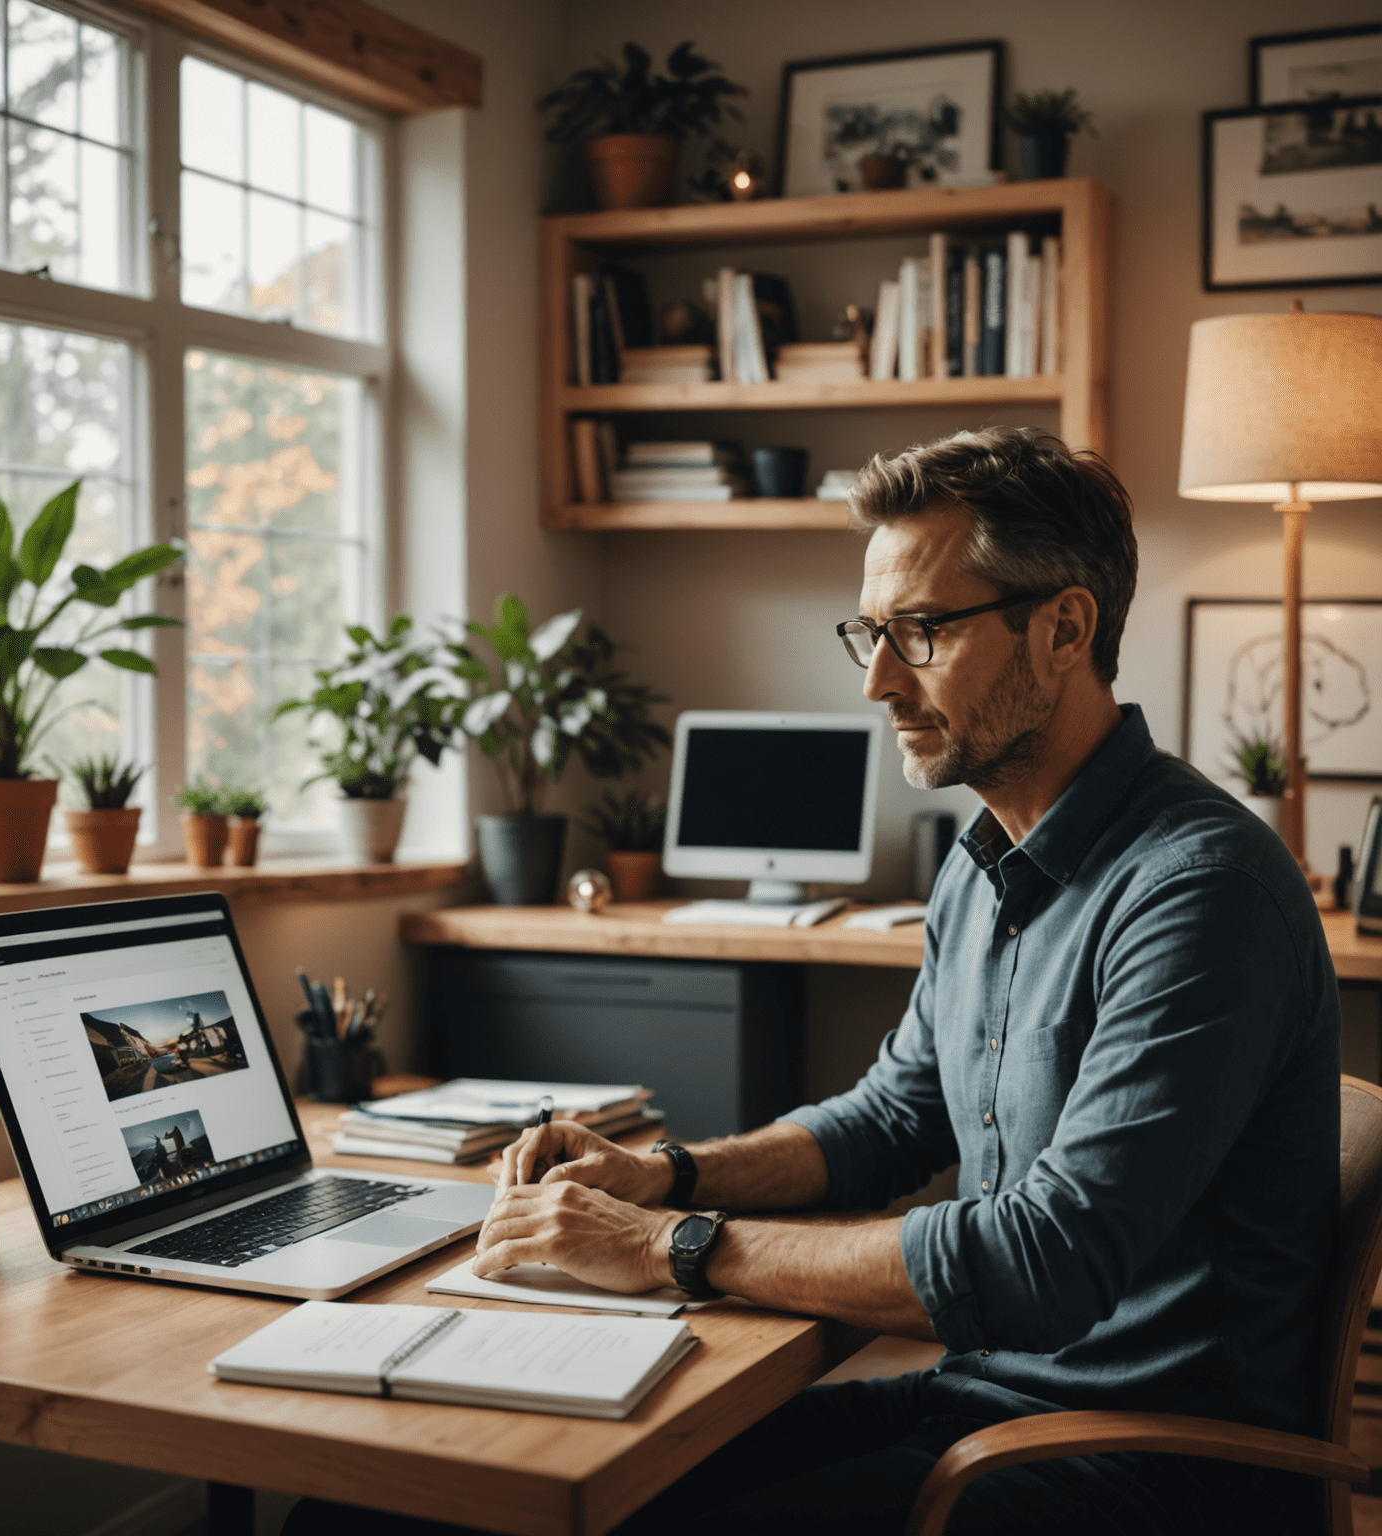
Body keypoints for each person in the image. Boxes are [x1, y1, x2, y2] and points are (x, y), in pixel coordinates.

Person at [283, 427, 1339, 1536]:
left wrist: (667, 1249)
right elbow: (891, 1120)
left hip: (1138, 1466)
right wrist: (666, 1176)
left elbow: (1045, 1262)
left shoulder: (1200, 890)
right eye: (871, 635)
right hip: (985, 1395)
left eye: (922, 632)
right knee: (394, 1503)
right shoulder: (983, 866)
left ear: (1064, 627)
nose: (880, 680)